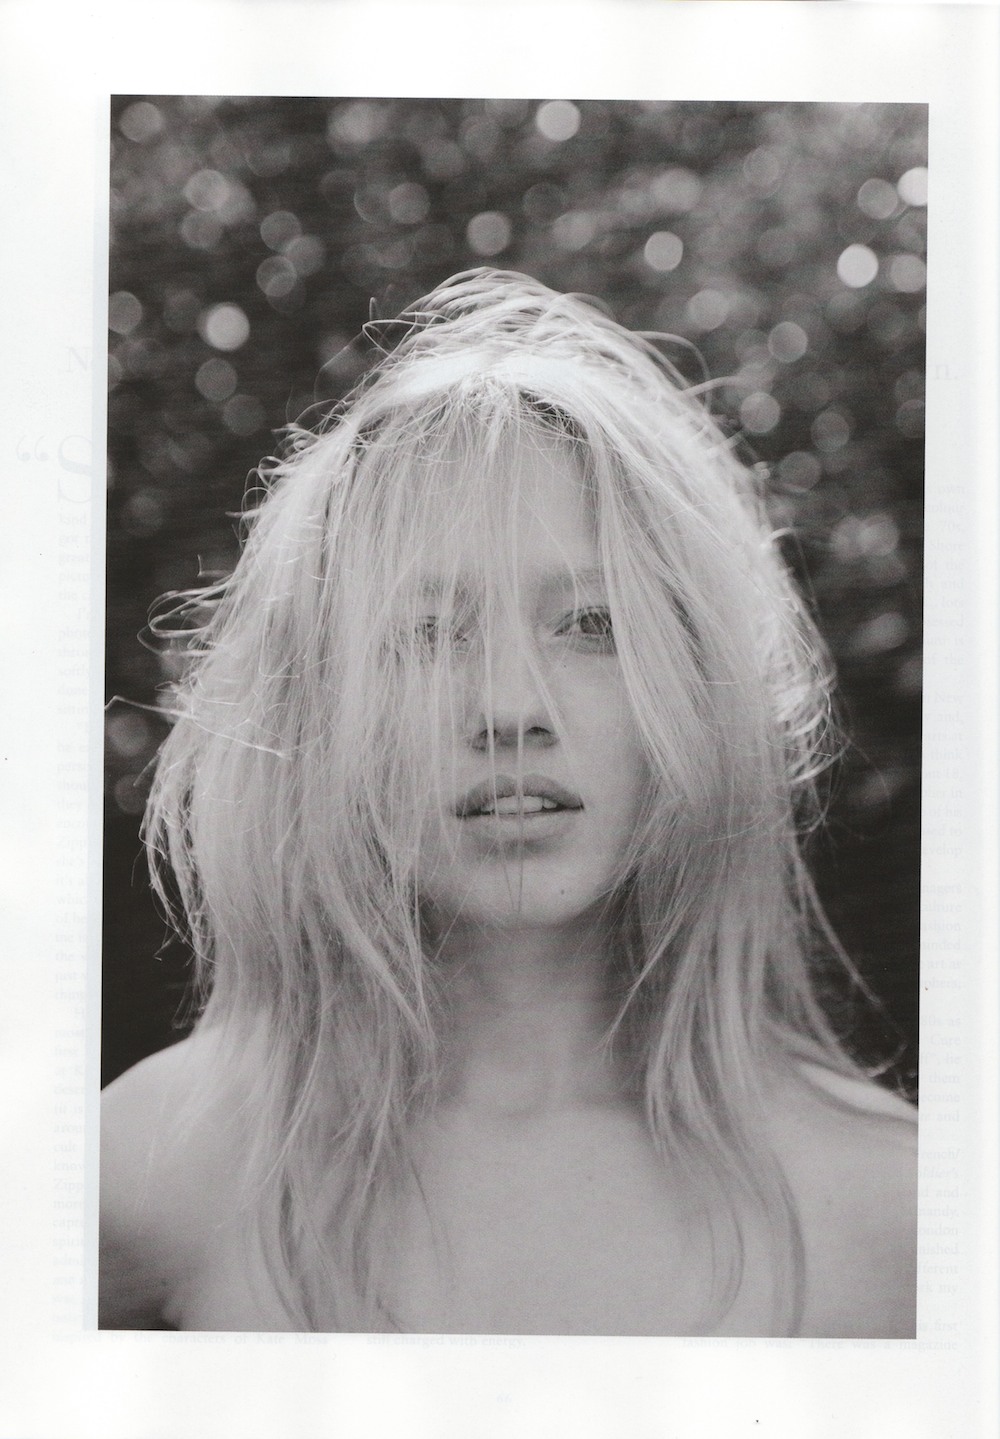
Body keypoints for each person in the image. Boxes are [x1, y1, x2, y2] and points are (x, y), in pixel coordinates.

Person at [100, 268, 917, 1337]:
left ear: (702, 681)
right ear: (314, 703)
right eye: (426, 631)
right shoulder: (141, 1179)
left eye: (591, 624)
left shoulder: (896, 1217)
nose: (508, 709)